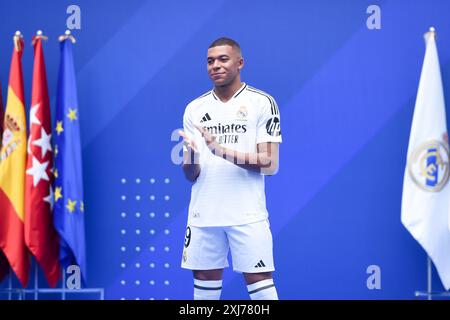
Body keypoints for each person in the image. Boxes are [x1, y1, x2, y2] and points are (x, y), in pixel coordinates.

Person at [179, 37, 282, 300]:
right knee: (203, 292)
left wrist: (220, 150)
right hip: (204, 215)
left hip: (247, 214)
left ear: (240, 62)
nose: (215, 65)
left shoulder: (262, 103)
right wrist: (189, 156)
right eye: (210, 61)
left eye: (223, 59)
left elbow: (270, 164)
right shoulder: (194, 108)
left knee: (261, 289)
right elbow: (192, 175)